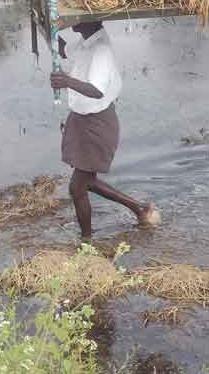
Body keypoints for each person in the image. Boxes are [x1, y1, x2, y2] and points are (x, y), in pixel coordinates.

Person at [50, 21, 161, 238]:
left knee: (77, 187)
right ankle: (139, 209)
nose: (72, 21)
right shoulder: (86, 42)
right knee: (84, 182)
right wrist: (48, 31)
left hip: (96, 124)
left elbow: (97, 90)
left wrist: (66, 81)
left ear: (92, 20)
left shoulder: (101, 50)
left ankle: (87, 241)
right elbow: (64, 50)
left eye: (77, 18)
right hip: (82, 120)